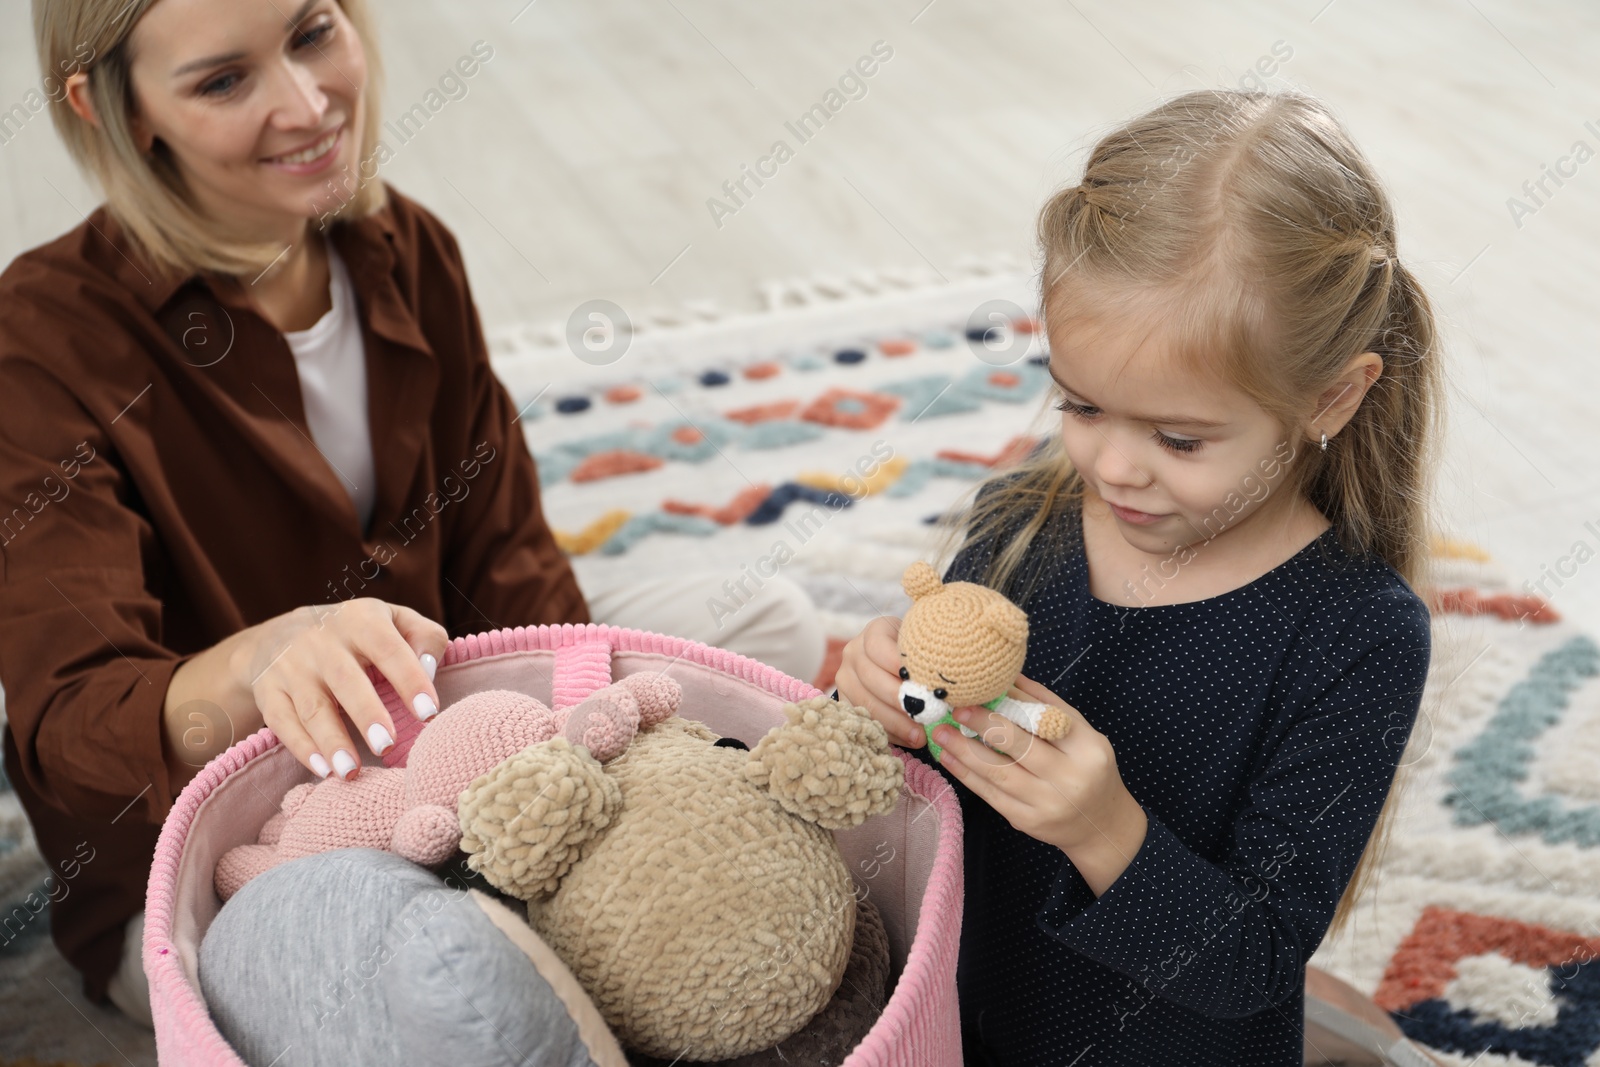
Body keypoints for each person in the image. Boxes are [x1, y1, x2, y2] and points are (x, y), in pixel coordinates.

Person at [0, 0, 823, 1028]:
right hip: (230, 839)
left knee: (769, 623)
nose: (307, 105)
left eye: (312, 33)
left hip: (449, 728)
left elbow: (513, 561)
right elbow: (71, 723)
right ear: (110, 108)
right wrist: (265, 660)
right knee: (431, 972)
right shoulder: (40, 338)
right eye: (222, 81)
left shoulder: (408, 249)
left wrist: (574, 744)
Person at [836, 89, 1441, 1065]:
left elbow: (1253, 959)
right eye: (1080, 403)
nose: (1113, 465)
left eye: (1177, 436)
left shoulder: (1357, 631)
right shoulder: (1016, 527)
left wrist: (1105, 829)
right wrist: (873, 705)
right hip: (957, 1029)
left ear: (1330, 396)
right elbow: (914, 812)